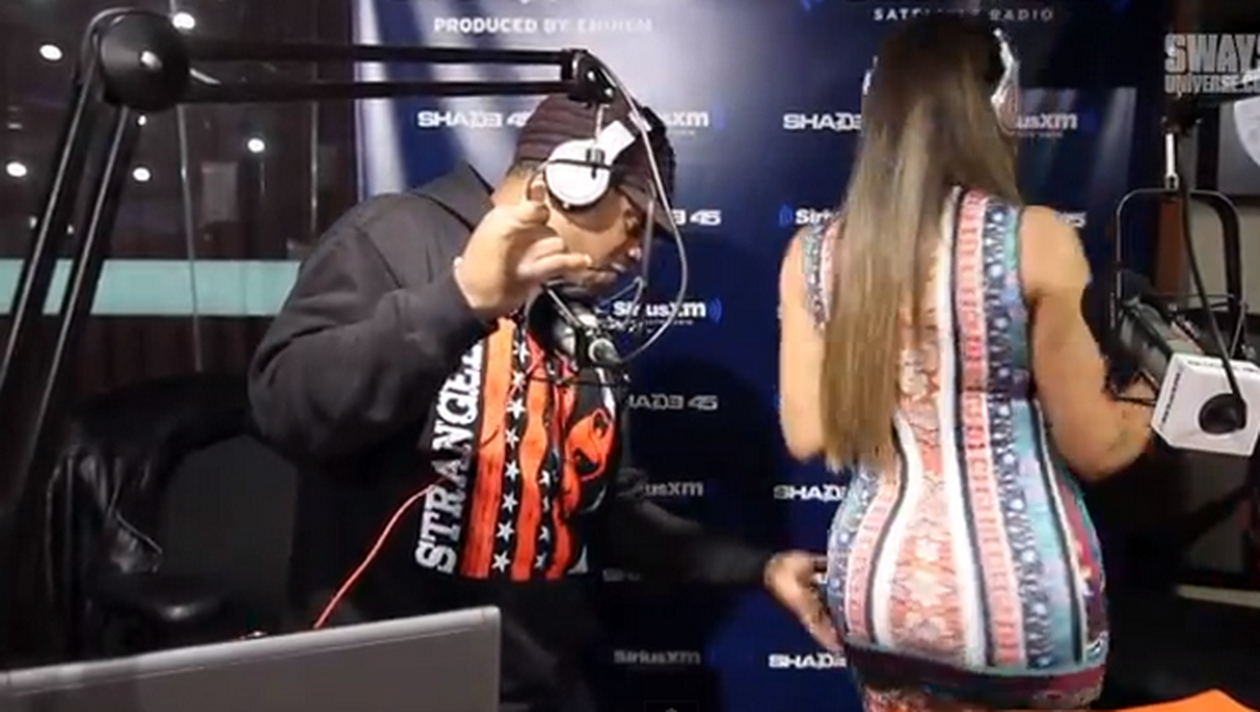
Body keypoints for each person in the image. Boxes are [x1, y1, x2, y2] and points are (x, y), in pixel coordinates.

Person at [249, 94, 838, 712]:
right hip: (382, 688)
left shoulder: (578, 324)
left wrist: (758, 567)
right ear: (573, 180)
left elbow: (608, 515)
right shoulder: (393, 238)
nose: (638, 252)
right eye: (633, 221)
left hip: (537, 689)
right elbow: (283, 404)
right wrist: (461, 302)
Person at [777, 14, 1154, 712]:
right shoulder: (1035, 240)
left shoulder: (814, 254)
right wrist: (1152, 392)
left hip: (876, 595)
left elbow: (807, 434)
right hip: (1021, 607)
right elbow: (1097, 447)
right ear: (1000, 111)